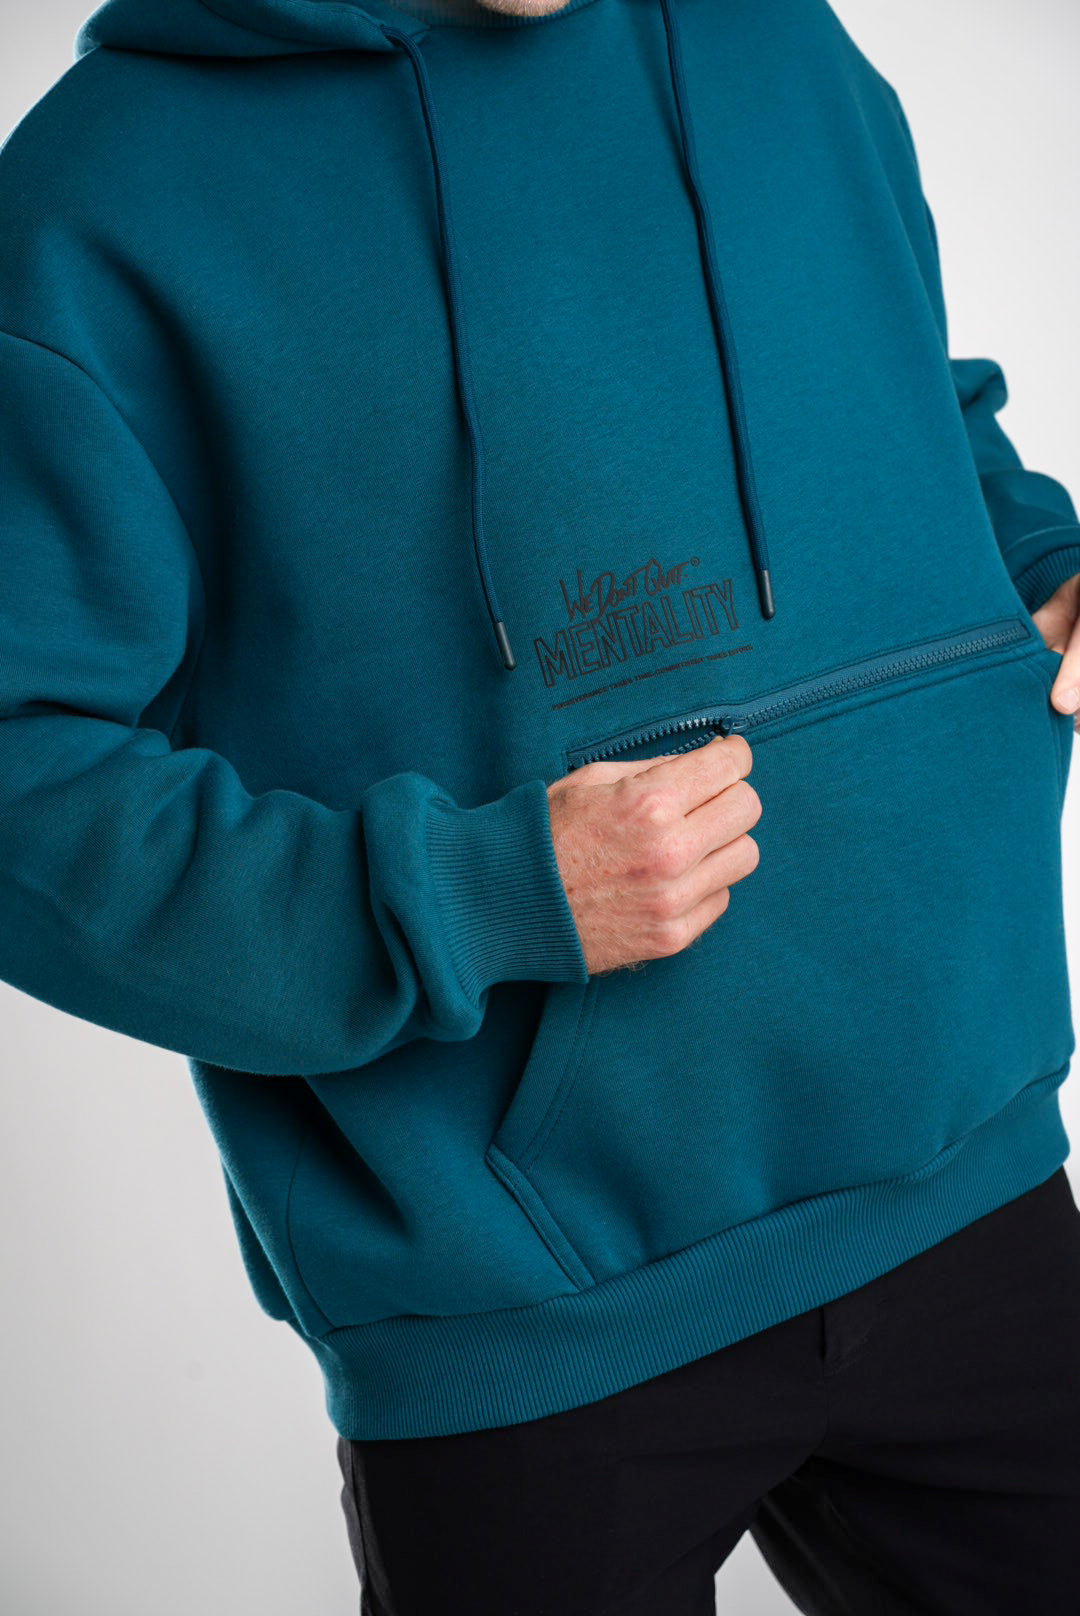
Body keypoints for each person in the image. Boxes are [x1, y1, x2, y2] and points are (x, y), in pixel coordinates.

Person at [3, 0, 1079, 1608]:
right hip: (523, 1312)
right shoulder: (101, 196)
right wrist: (466, 900)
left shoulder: (777, 39)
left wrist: (1046, 562)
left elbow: (907, 395)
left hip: (969, 1175)